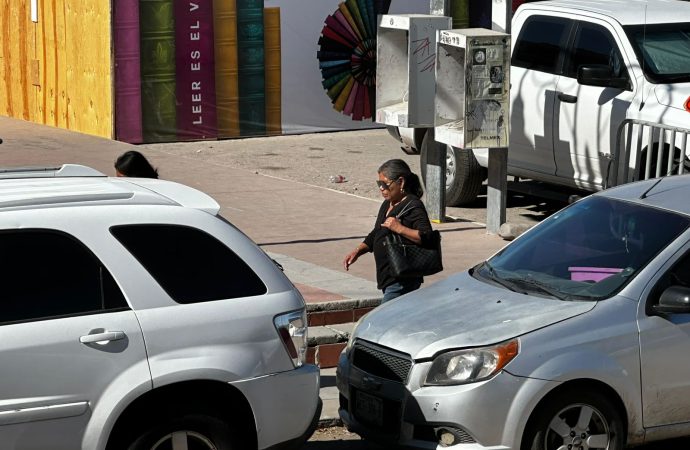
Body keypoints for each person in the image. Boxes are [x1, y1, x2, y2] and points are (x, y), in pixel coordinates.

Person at [343, 159, 434, 303]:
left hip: (403, 280)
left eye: (385, 184)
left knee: (382, 321)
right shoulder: (387, 204)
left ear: (401, 182)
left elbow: (428, 238)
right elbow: (377, 232)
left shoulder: (413, 206)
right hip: (388, 279)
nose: (381, 189)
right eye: (379, 184)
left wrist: (400, 228)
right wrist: (358, 251)